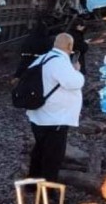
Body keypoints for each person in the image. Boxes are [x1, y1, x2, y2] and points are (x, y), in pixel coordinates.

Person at [26, 33, 85, 183]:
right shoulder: (60, 62)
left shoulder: (42, 58)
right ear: (70, 47)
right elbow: (74, 83)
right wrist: (76, 70)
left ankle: (32, 183)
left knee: (39, 150)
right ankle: (49, 190)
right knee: (53, 156)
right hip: (54, 118)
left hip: (38, 114)